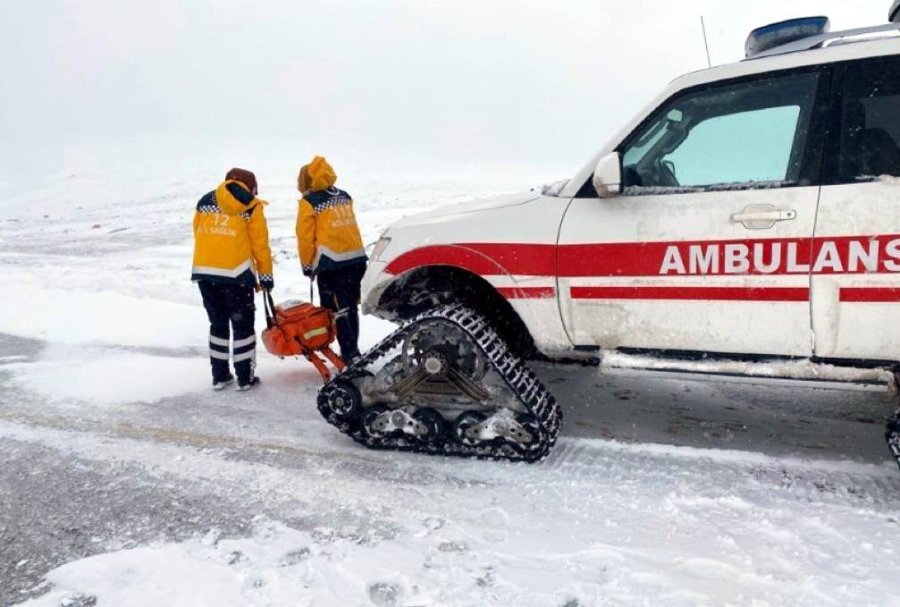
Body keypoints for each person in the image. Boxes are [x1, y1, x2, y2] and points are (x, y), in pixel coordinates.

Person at [192, 168, 274, 391]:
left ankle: (220, 376)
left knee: (217, 324)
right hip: (237, 275)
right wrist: (266, 276)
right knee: (242, 327)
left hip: (205, 273)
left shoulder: (204, 201)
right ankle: (245, 378)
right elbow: (260, 244)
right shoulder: (251, 205)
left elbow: (197, 231)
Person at [296, 156, 367, 362]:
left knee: (337, 310)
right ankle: (352, 350)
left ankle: (349, 354)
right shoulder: (344, 196)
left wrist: (307, 265)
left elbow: (305, 238)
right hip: (356, 259)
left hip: (332, 264)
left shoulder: (309, 203)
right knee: (350, 307)